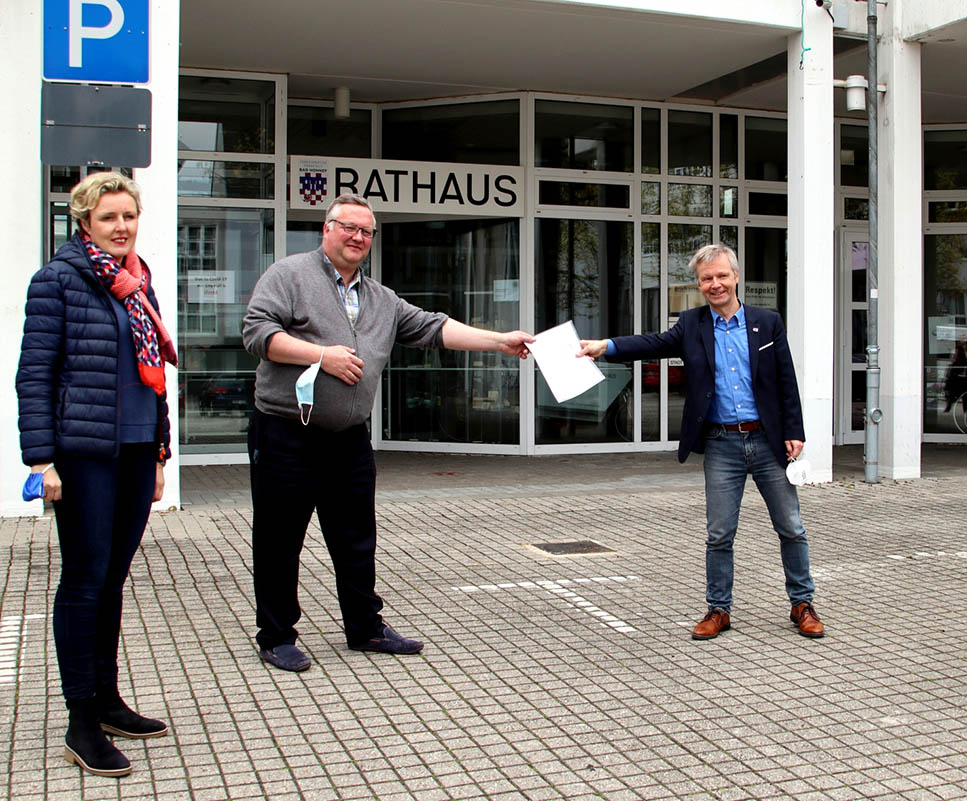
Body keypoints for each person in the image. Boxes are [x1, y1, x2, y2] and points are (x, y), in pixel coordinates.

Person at [242, 193, 533, 672]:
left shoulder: (380, 298)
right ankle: (276, 635)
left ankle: (365, 628)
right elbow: (256, 333)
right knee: (280, 539)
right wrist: (321, 355)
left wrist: (499, 341)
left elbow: (434, 328)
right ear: (327, 229)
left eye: (366, 231)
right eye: (348, 227)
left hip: (349, 439)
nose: (357, 237)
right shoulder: (289, 275)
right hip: (286, 433)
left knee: (357, 537)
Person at [579, 244, 823, 641]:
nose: (715, 284)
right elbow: (654, 344)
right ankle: (718, 609)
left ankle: (802, 604)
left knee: (791, 527)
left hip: (768, 442)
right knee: (719, 534)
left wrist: (795, 431)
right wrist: (606, 346)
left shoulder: (767, 322)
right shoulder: (692, 324)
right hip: (722, 445)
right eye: (707, 278)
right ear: (699, 283)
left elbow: (785, 380)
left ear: (736, 277)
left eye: (722, 276)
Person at [16, 172, 175, 777]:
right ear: (85, 220)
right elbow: (35, 374)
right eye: (109, 217)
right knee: (85, 580)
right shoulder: (57, 280)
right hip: (83, 455)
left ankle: (107, 701)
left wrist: (160, 453)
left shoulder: (138, 284)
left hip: (136, 451)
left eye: (129, 216)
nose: (121, 227)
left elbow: (155, 372)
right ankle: (80, 720)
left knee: (112, 580)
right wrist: (41, 459)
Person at [943, 339, 967, 412]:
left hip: (958, 377)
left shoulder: (959, 353)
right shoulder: (964, 355)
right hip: (962, 377)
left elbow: (952, 364)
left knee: (953, 393)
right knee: (963, 395)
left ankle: (949, 407)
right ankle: (964, 410)